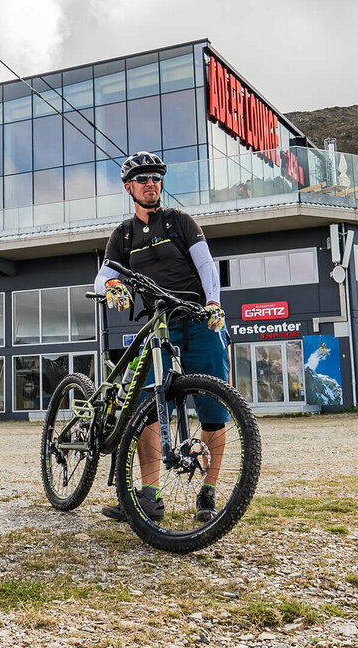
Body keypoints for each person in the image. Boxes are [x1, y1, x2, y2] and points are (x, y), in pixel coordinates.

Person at [93, 151, 229, 524]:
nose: (151, 183)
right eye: (143, 179)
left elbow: (205, 264)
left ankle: (208, 492)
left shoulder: (180, 221)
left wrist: (214, 301)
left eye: (155, 177)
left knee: (214, 410)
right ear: (129, 188)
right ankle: (149, 495)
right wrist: (114, 287)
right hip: (159, 324)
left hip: (200, 319)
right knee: (148, 408)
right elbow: (102, 276)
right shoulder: (123, 235)